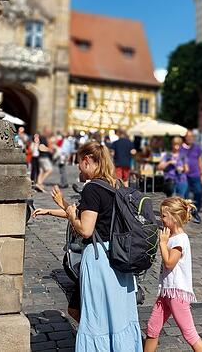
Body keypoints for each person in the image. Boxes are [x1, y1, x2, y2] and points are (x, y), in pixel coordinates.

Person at [49, 142, 142, 351]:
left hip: (100, 259)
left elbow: (86, 229)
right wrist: (60, 207)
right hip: (119, 255)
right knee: (118, 315)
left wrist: (72, 217)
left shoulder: (92, 188)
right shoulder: (115, 184)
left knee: (97, 314)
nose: (79, 169)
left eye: (79, 163)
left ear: (87, 160)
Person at [144, 198, 202, 352]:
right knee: (152, 328)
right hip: (166, 291)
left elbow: (169, 263)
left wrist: (162, 244)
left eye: (164, 216)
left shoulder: (180, 240)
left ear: (175, 217)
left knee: (189, 334)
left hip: (177, 294)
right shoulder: (172, 237)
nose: (161, 219)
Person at [182, 132, 202, 224]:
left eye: (192, 136)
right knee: (185, 196)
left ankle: (195, 211)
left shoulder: (197, 148)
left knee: (198, 193)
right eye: (188, 136)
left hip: (196, 175)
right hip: (184, 176)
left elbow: (200, 160)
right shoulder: (181, 148)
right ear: (185, 138)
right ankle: (186, 214)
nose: (190, 138)